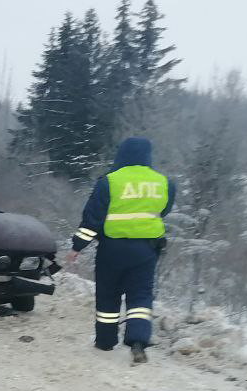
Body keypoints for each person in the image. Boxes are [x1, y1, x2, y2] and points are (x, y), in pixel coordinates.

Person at [65, 136, 175, 364]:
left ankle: (105, 341)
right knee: (141, 295)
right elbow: (162, 211)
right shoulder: (164, 182)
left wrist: (77, 246)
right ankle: (138, 342)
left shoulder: (109, 181)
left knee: (108, 294)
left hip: (112, 249)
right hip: (146, 250)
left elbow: (92, 219)